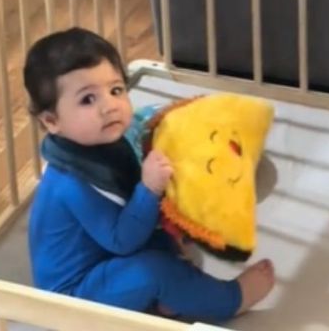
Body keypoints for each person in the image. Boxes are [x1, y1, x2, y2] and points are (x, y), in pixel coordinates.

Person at [24, 27, 274, 322]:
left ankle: (165, 300)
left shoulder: (107, 143)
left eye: (116, 90)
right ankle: (231, 300)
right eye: (88, 100)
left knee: (168, 233)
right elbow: (122, 241)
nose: (109, 106)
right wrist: (149, 188)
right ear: (52, 121)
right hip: (77, 301)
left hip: (105, 261)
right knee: (152, 270)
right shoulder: (71, 183)